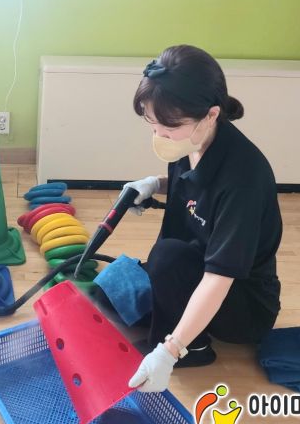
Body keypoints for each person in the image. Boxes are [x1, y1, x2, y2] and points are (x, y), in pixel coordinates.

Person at [95, 45, 283, 393]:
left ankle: (194, 348)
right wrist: (155, 184)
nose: (160, 135)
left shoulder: (244, 178)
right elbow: (198, 186)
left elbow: (219, 278)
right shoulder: (191, 140)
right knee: (113, 291)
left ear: (211, 115)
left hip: (243, 304)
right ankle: (176, 322)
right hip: (197, 260)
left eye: (169, 127)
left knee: (166, 258)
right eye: (152, 124)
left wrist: (169, 351)